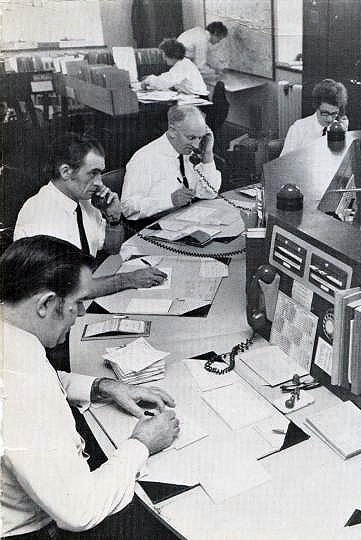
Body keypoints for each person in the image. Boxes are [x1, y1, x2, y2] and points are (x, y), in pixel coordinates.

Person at [0, 235, 180, 538]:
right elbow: (80, 511)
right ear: (46, 303)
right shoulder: (24, 395)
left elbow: (45, 374)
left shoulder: (12, 332)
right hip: (35, 529)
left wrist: (103, 387)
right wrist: (142, 444)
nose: (82, 314)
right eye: (77, 303)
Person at [14, 133, 167, 299]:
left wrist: (114, 219)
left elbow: (112, 248)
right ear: (66, 172)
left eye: (100, 173)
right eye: (93, 173)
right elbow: (68, 288)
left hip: (85, 290)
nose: (99, 183)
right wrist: (127, 280)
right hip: (58, 303)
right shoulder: (41, 214)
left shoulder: (83, 200)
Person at [121, 105, 222, 220]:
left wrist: (207, 155)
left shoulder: (189, 152)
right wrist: (169, 200)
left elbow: (210, 193)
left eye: (200, 138)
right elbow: (127, 208)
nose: (196, 145)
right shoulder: (144, 158)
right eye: (191, 137)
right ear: (173, 131)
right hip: (152, 227)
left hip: (186, 220)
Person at [281, 79, 349, 155]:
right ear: (316, 106)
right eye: (325, 113)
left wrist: (345, 134)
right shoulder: (299, 128)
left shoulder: (338, 129)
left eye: (334, 113)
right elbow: (284, 163)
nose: (329, 119)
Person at [142, 39, 207, 97]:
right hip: (192, 97)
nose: (164, 58)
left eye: (163, 55)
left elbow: (164, 82)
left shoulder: (183, 65)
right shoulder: (183, 63)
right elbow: (167, 78)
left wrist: (148, 80)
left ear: (169, 54)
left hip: (198, 100)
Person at [177, 21, 228, 88]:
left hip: (178, 58)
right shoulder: (202, 40)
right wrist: (215, 72)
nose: (218, 41)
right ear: (215, 34)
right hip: (179, 61)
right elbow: (200, 66)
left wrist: (215, 68)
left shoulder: (200, 32)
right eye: (220, 38)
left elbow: (206, 58)